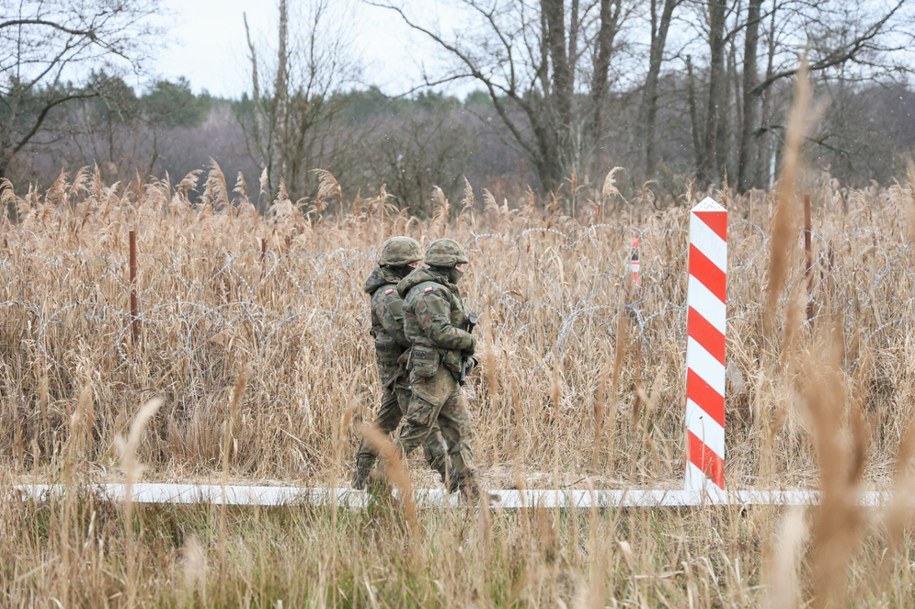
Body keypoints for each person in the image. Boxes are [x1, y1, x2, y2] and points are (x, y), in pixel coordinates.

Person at [351, 237, 449, 490]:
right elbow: (403, 332)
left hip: (399, 367)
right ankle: (451, 477)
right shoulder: (388, 294)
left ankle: (361, 477)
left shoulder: (394, 288)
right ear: (401, 264)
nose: (419, 267)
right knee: (423, 423)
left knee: (386, 422)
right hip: (401, 369)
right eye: (414, 263)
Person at [394, 238, 481, 499]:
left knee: (459, 430)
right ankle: (380, 478)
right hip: (432, 372)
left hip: (446, 371)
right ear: (448, 265)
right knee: (416, 430)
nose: (462, 270)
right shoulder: (429, 292)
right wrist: (471, 341)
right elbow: (439, 332)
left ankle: (470, 489)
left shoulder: (441, 288)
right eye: (459, 265)